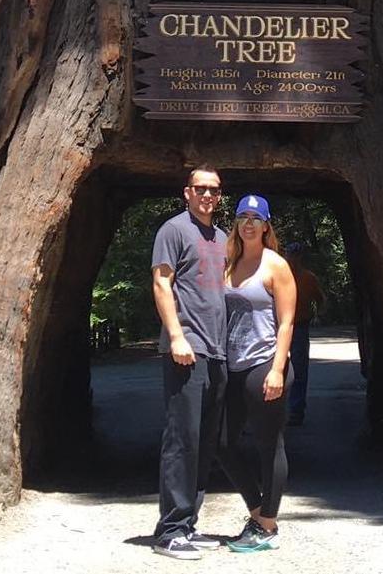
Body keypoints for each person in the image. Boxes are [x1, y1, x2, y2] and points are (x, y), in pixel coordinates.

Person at [151, 165, 229, 561]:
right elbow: (161, 282)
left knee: (204, 442)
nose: (207, 195)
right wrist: (177, 336)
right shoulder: (174, 230)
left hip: (217, 351)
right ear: (186, 192)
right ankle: (169, 531)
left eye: (214, 190)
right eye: (200, 188)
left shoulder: (222, 237)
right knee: (182, 440)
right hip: (187, 349)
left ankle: (187, 523)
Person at [220, 193, 297, 553]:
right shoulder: (229, 262)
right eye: (242, 217)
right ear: (236, 225)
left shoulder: (275, 265)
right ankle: (257, 510)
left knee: (269, 445)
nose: (248, 223)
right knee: (220, 441)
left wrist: (278, 369)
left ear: (266, 226)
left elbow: (286, 322)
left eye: (255, 217)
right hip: (233, 366)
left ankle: (267, 526)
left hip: (264, 363)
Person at [282, 244, 323, 426]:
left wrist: (319, 315)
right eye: (291, 255)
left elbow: (320, 299)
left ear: (301, 257)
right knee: (276, 367)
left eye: (296, 255)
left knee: (299, 369)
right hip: (280, 327)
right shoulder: (279, 275)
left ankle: (297, 410)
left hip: (299, 326)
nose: (293, 259)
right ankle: (275, 410)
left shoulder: (308, 278)